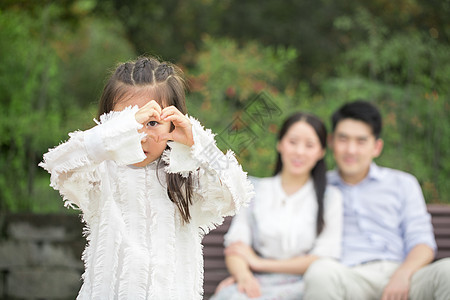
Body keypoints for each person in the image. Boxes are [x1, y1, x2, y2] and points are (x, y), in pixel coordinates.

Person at [39, 56, 254, 300]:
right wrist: (115, 134)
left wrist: (199, 142)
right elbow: (58, 166)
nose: (141, 136)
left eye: (152, 122)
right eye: (129, 123)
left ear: (173, 123)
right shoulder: (99, 172)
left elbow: (235, 192)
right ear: (109, 124)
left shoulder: (186, 173)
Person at [303, 100, 450, 300]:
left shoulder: (402, 183)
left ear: (377, 147)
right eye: (343, 139)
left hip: (404, 275)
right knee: (320, 272)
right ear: (331, 142)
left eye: (361, 141)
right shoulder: (318, 187)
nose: (351, 150)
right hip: (346, 276)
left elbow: (423, 243)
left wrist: (403, 274)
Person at [211, 112, 343, 300]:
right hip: (258, 284)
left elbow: (322, 258)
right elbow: (236, 247)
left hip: (309, 286)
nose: (299, 151)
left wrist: (259, 264)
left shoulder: (330, 198)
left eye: (309, 145)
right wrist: (244, 277)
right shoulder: (254, 190)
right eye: (293, 142)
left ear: (321, 152)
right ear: (280, 144)